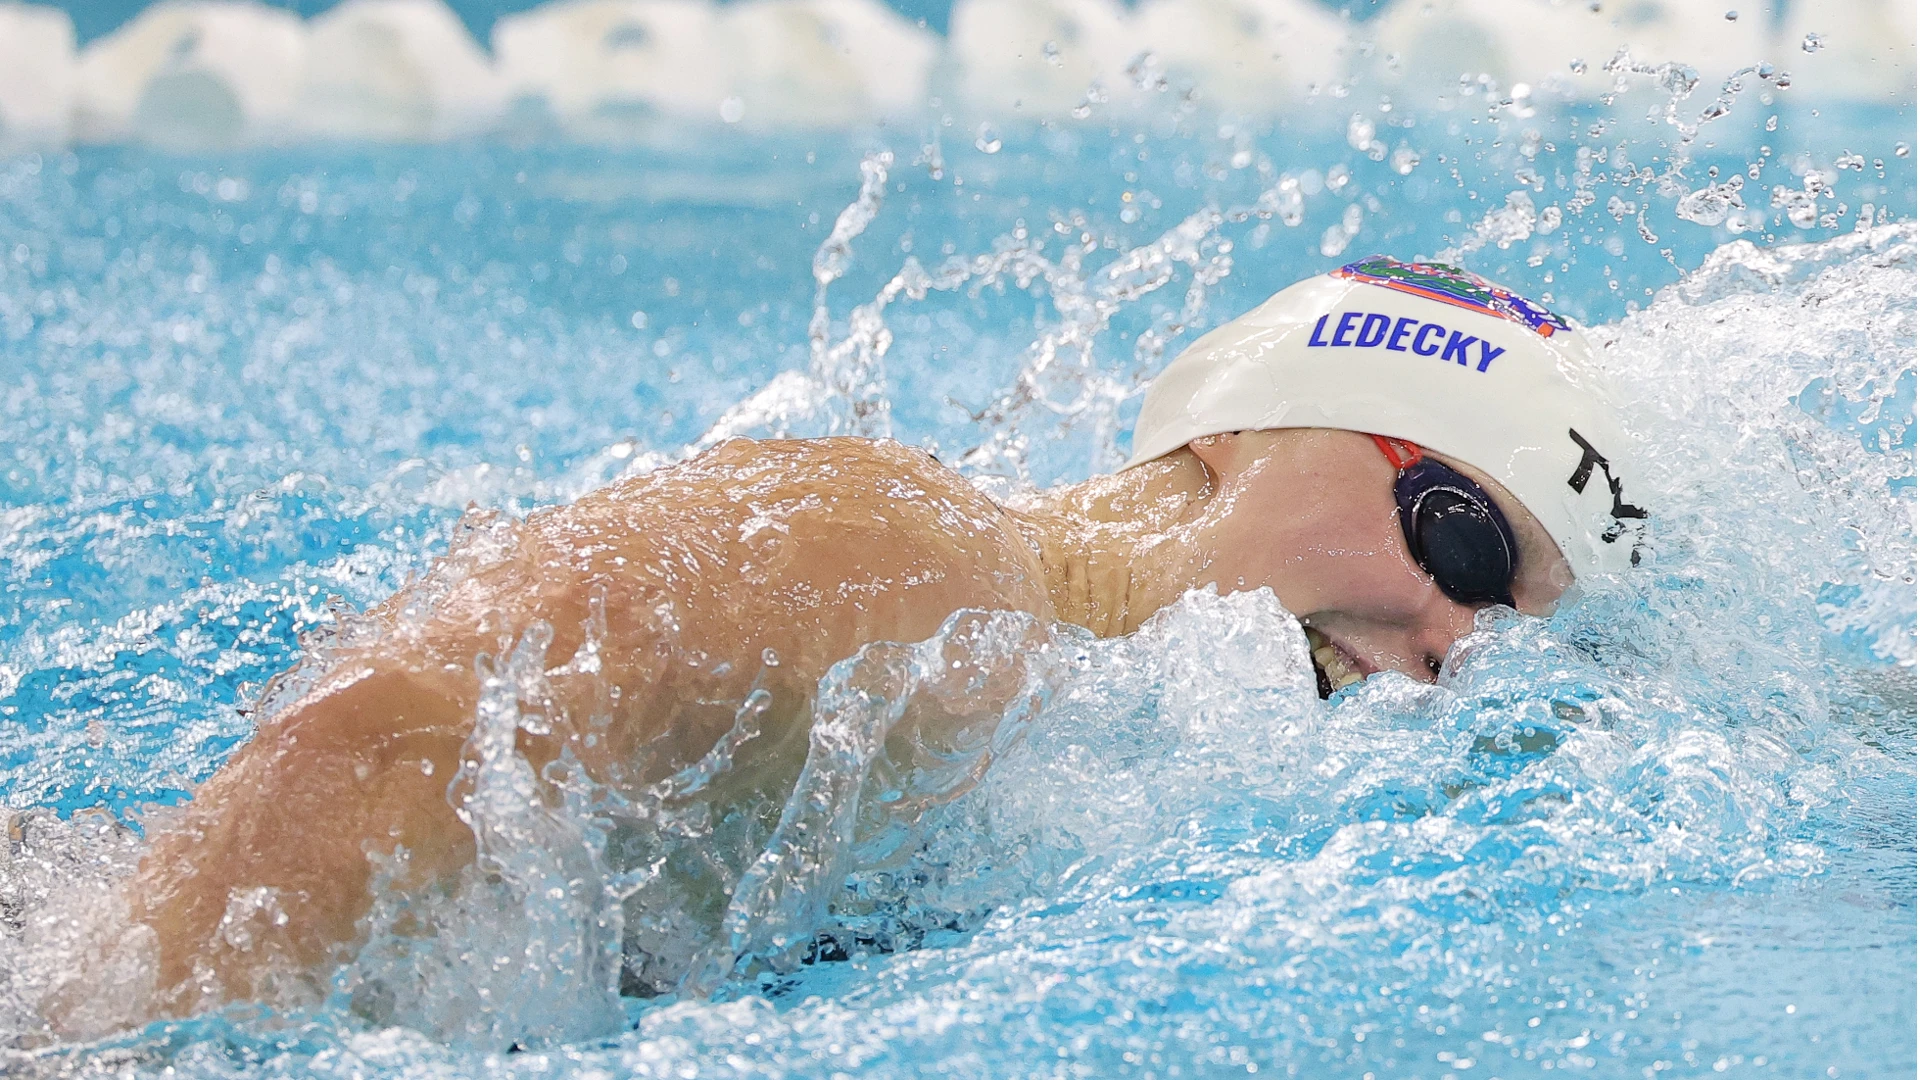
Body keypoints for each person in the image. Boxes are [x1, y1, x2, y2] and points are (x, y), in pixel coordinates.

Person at [50, 256, 1645, 1031]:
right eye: (1460, 540)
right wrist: (134, 1047)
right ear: (1262, 431)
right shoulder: (914, 561)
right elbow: (386, 720)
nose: (1450, 639)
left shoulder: (1076, 753)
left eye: (1503, 632)